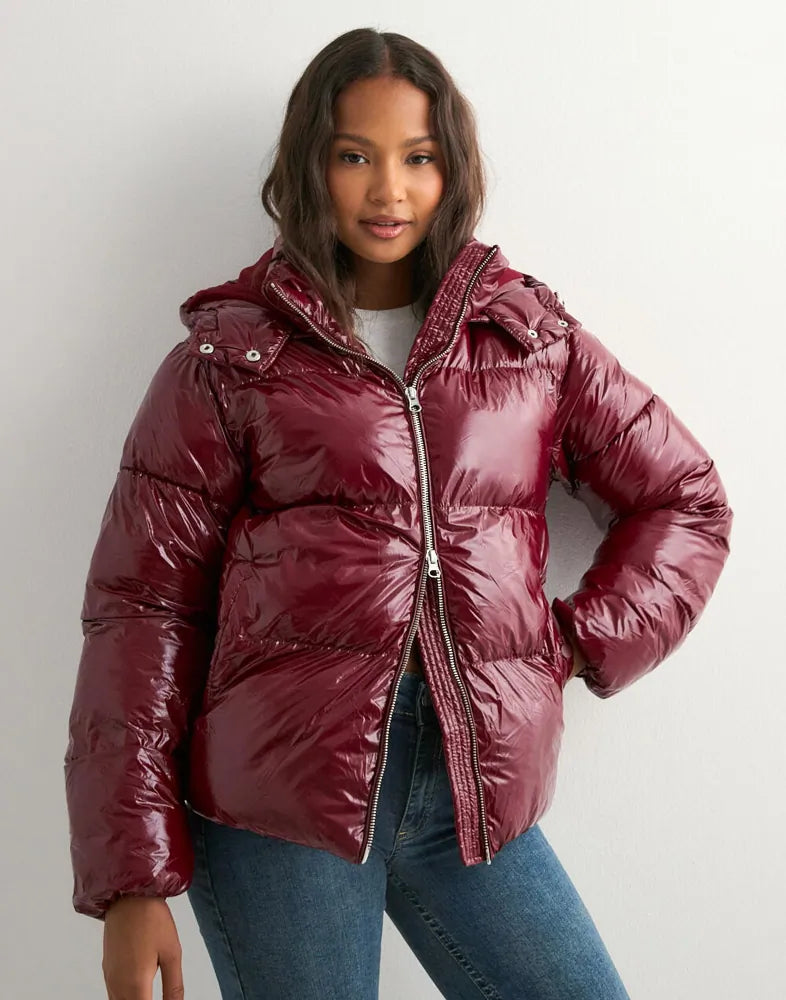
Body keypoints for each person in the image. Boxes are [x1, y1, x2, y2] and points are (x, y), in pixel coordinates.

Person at [63, 26, 733, 1000]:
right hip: (276, 800)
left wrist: (572, 645)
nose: (389, 189)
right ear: (311, 167)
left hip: (469, 784)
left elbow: (685, 500)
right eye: (355, 156)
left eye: (418, 157)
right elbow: (141, 611)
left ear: (451, 168)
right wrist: (131, 877)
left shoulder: (527, 339)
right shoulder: (231, 357)